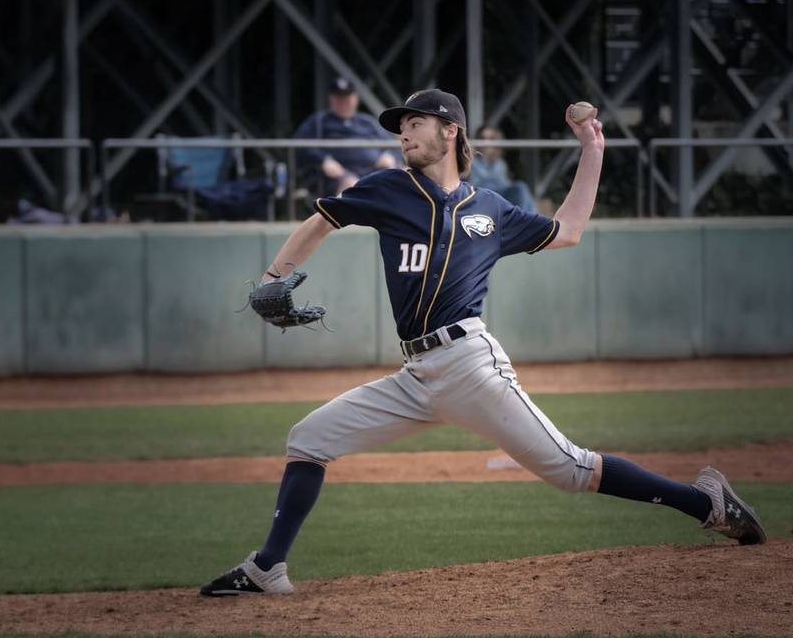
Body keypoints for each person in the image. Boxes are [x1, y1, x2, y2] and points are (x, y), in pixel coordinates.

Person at [200, 89, 766, 597]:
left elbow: (567, 231)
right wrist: (275, 276)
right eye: (400, 126)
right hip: (415, 375)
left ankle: (707, 502)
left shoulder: (491, 210)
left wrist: (592, 149)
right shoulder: (388, 189)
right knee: (309, 438)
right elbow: (321, 220)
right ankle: (267, 567)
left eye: (416, 122)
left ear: (451, 131)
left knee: (571, 470)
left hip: (471, 364)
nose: (403, 132)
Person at [293, 77, 398, 195]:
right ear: (331, 99)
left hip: (374, 171)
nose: (343, 102)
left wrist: (388, 155)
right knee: (353, 186)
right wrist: (323, 160)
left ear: (356, 99)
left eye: (347, 97)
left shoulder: (368, 122)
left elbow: (393, 145)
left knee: (401, 178)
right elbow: (301, 145)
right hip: (337, 177)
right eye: (338, 98)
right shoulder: (319, 121)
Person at [469, 125, 538, 212]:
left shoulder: (500, 163)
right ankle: (527, 219)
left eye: (490, 139)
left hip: (501, 196)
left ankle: (530, 219)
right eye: (482, 138)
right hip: (482, 196)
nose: (486, 142)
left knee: (521, 187)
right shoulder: (472, 161)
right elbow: (472, 186)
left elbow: (505, 185)